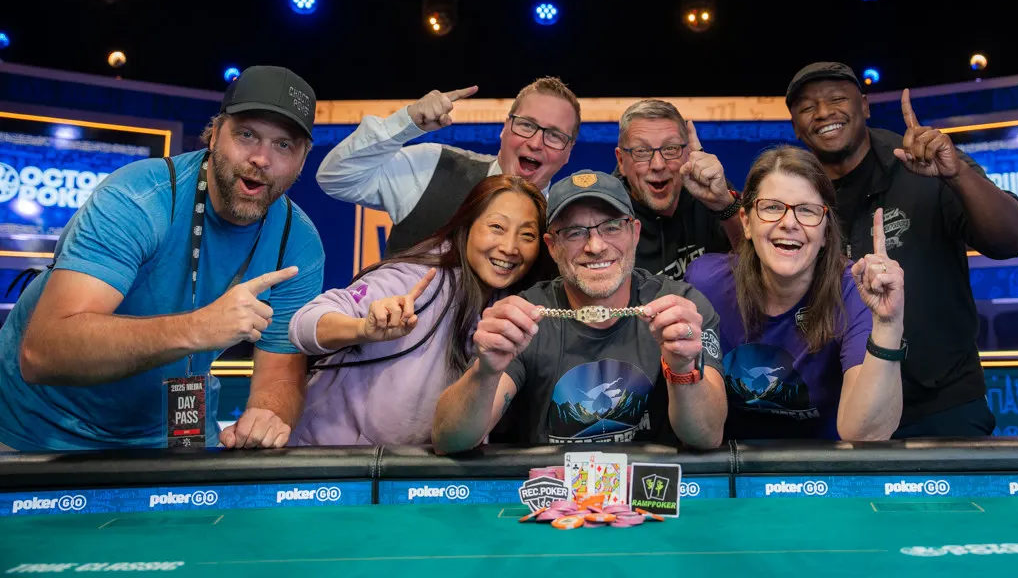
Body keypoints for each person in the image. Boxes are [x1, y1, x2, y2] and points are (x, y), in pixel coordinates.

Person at [0, 66, 326, 451]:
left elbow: (280, 375)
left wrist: (267, 415)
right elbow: (42, 353)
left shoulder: (298, 243)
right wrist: (198, 327)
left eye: (283, 145)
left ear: (302, 160)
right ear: (214, 134)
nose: (261, 158)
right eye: (247, 135)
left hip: (168, 434)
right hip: (36, 427)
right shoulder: (138, 198)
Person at [785, 62, 1018, 437]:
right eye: (807, 107)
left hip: (940, 405)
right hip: (837, 412)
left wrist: (957, 175)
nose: (822, 113)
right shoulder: (795, 189)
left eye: (836, 99)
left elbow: (1011, 240)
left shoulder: (923, 162)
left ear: (864, 105)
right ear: (795, 127)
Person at [431, 170, 727, 452]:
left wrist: (682, 369)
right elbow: (450, 440)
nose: (595, 246)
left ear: (634, 233)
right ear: (552, 246)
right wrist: (486, 372)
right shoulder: (524, 318)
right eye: (574, 232)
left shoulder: (680, 309)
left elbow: (707, 436)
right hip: (551, 486)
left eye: (611, 227)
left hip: (652, 485)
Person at [287, 175, 546, 446]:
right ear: (467, 225)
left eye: (527, 235)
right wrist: (362, 329)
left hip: (407, 468)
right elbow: (304, 324)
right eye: (497, 227)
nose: (509, 247)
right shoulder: (416, 281)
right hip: (323, 459)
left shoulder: (517, 306)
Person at [685, 146, 905, 441]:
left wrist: (889, 324)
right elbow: (697, 427)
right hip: (732, 463)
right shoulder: (705, 283)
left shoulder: (855, 290)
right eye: (772, 207)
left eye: (807, 210)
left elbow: (866, 434)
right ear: (746, 222)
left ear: (826, 232)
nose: (789, 223)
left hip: (823, 465)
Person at [317, 77, 580, 256]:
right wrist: (406, 123)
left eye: (555, 135)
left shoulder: (562, 225)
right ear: (504, 128)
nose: (535, 143)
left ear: (569, 152)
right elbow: (336, 178)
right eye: (526, 125)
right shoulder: (435, 166)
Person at [614, 99, 742, 279]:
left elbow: (757, 263)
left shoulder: (707, 190)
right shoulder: (607, 215)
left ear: (687, 154)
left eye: (670, 148)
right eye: (642, 151)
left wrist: (723, 204)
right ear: (621, 161)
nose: (658, 165)